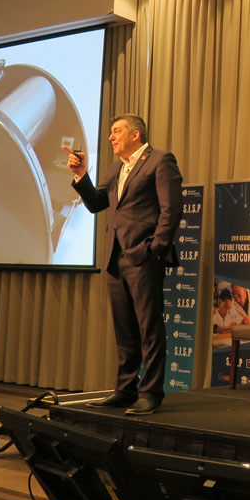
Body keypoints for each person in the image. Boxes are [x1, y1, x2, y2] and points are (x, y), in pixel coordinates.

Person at [67, 114, 183, 415]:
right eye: (110, 132)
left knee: (149, 328)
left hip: (144, 258)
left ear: (135, 134)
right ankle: (125, 390)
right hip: (115, 259)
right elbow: (96, 203)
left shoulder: (160, 160)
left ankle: (151, 393)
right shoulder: (115, 168)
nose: (111, 137)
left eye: (116, 131)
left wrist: (155, 250)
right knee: (125, 330)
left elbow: (171, 210)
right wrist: (81, 175)